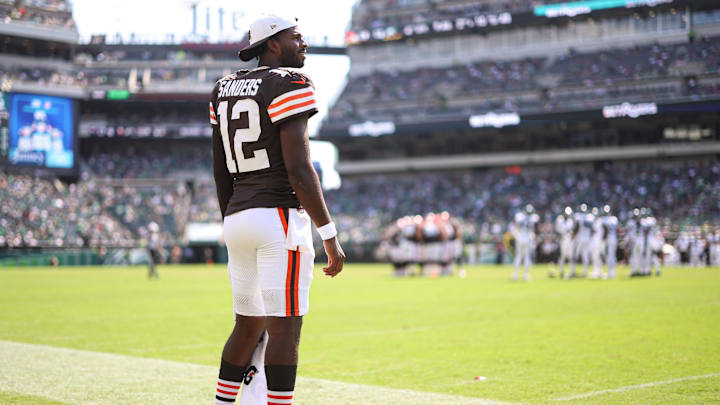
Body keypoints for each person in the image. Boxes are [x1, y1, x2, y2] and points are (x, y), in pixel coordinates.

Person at [210, 15, 345, 405]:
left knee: (248, 324)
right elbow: (300, 170)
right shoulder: (291, 83)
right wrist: (330, 235)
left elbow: (220, 168)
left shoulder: (222, 88)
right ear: (272, 44)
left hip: (238, 216)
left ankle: (223, 402)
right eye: (296, 37)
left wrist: (232, 217)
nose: (304, 44)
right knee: (285, 329)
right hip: (278, 217)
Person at [510, 204, 538, 281]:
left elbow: (515, 226)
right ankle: (525, 274)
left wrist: (516, 235)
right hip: (527, 238)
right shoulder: (533, 218)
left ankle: (515, 274)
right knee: (526, 257)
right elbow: (534, 229)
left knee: (518, 256)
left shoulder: (519, 216)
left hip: (520, 237)